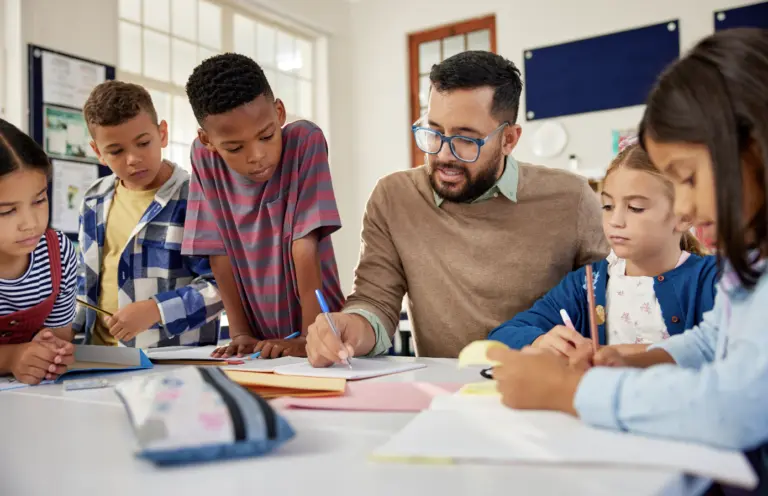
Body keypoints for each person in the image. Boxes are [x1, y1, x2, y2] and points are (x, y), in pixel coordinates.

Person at [488, 28, 768, 493]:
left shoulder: (712, 270)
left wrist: (571, 393)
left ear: (754, 148)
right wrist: (631, 361)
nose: (683, 210)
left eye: (689, 179)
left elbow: (736, 404)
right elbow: (715, 339)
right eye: (609, 205)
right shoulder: (746, 265)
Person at [306, 51, 609, 366]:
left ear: (508, 139)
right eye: (434, 132)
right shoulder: (394, 197)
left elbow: (611, 303)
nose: (444, 155)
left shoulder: (572, 199)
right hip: (445, 396)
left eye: (466, 139)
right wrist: (350, 327)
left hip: (544, 387)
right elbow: (375, 302)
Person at [182, 53, 344, 359]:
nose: (256, 155)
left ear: (279, 112)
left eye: (266, 136)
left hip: (325, 330)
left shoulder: (304, 141)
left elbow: (304, 245)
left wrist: (311, 336)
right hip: (260, 345)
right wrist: (240, 332)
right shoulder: (204, 160)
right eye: (234, 147)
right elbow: (218, 252)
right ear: (208, 141)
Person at [488, 142, 717, 356]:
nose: (615, 221)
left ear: (685, 215)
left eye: (636, 208)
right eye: (607, 206)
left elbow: (726, 352)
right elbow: (501, 336)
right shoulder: (587, 283)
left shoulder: (716, 280)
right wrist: (539, 341)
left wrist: (617, 354)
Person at [75, 81, 223, 348]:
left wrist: (157, 310)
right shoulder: (92, 200)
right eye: (116, 151)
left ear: (162, 133)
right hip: (97, 358)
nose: (133, 158)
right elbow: (84, 285)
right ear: (98, 152)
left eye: (143, 143)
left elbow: (223, 288)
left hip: (170, 366)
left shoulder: (197, 198)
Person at [0, 119, 76, 384]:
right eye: (7, 211)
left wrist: (51, 352)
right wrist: (11, 358)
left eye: (39, 200)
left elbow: (60, 336)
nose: (30, 223)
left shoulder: (58, 253)